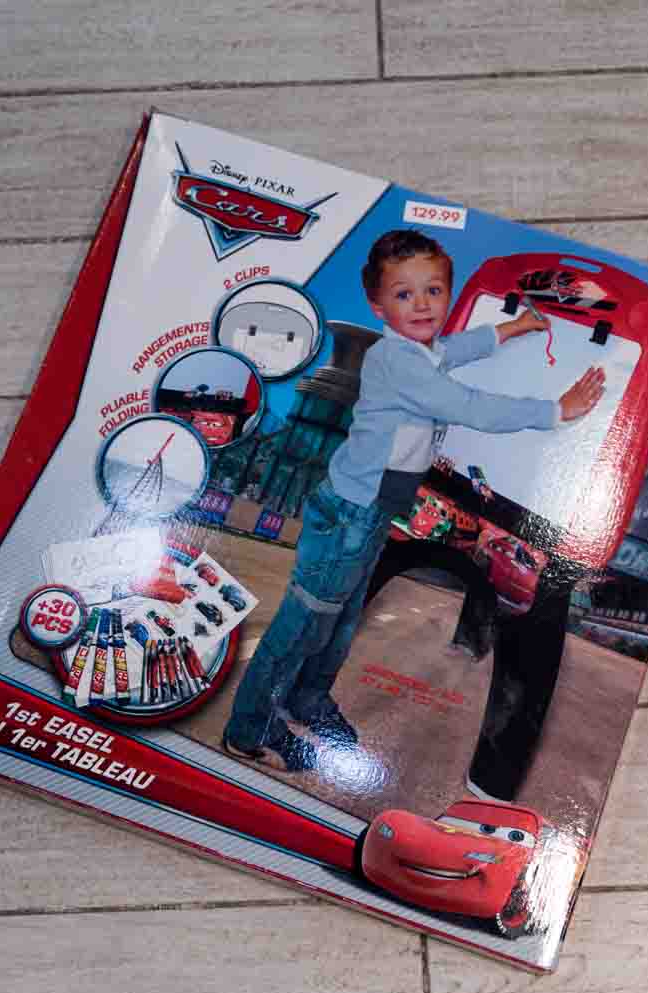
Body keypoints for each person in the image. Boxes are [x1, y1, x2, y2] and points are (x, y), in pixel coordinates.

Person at [222, 229, 605, 771]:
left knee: (340, 623)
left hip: (370, 514)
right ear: (378, 306)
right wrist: (554, 410)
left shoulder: (418, 353)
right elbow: (468, 405)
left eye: (434, 290)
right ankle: (249, 729)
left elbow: (453, 350)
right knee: (304, 625)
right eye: (405, 294)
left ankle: (307, 700)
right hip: (350, 516)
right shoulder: (396, 361)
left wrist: (512, 328)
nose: (422, 304)